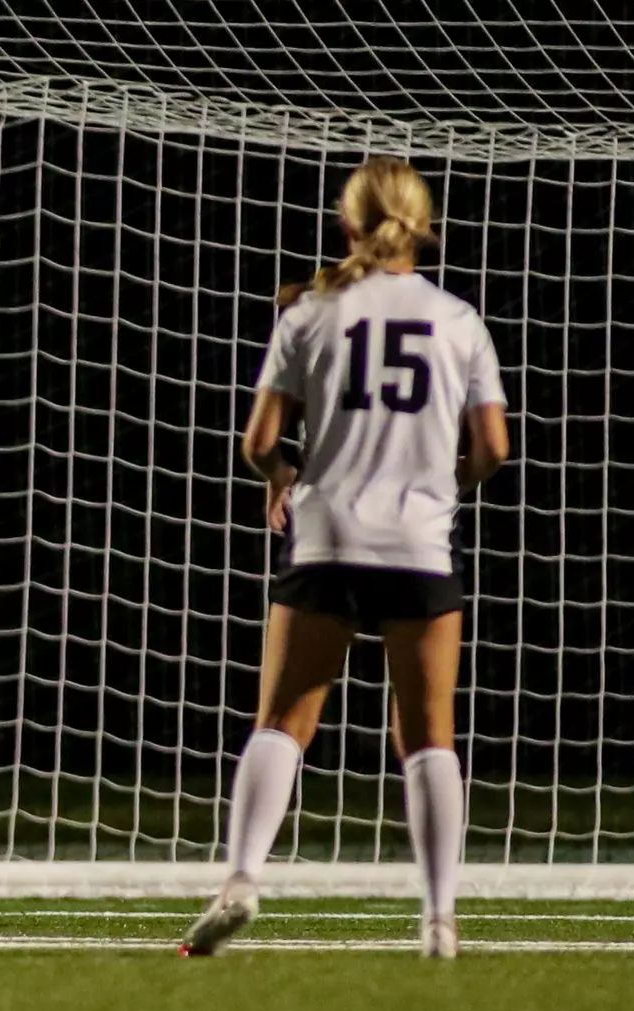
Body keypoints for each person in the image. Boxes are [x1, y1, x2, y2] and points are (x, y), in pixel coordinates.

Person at [179, 156, 510, 959]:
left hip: (326, 537)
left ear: (350, 224)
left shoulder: (311, 313)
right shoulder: (458, 319)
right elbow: (495, 446)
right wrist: (444, 483)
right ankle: (438, 918)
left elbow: (258, 442)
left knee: (284, 721)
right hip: (419, 543)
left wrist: (285, 474)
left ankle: (242, 879)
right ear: (423, 226)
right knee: (430, 732)